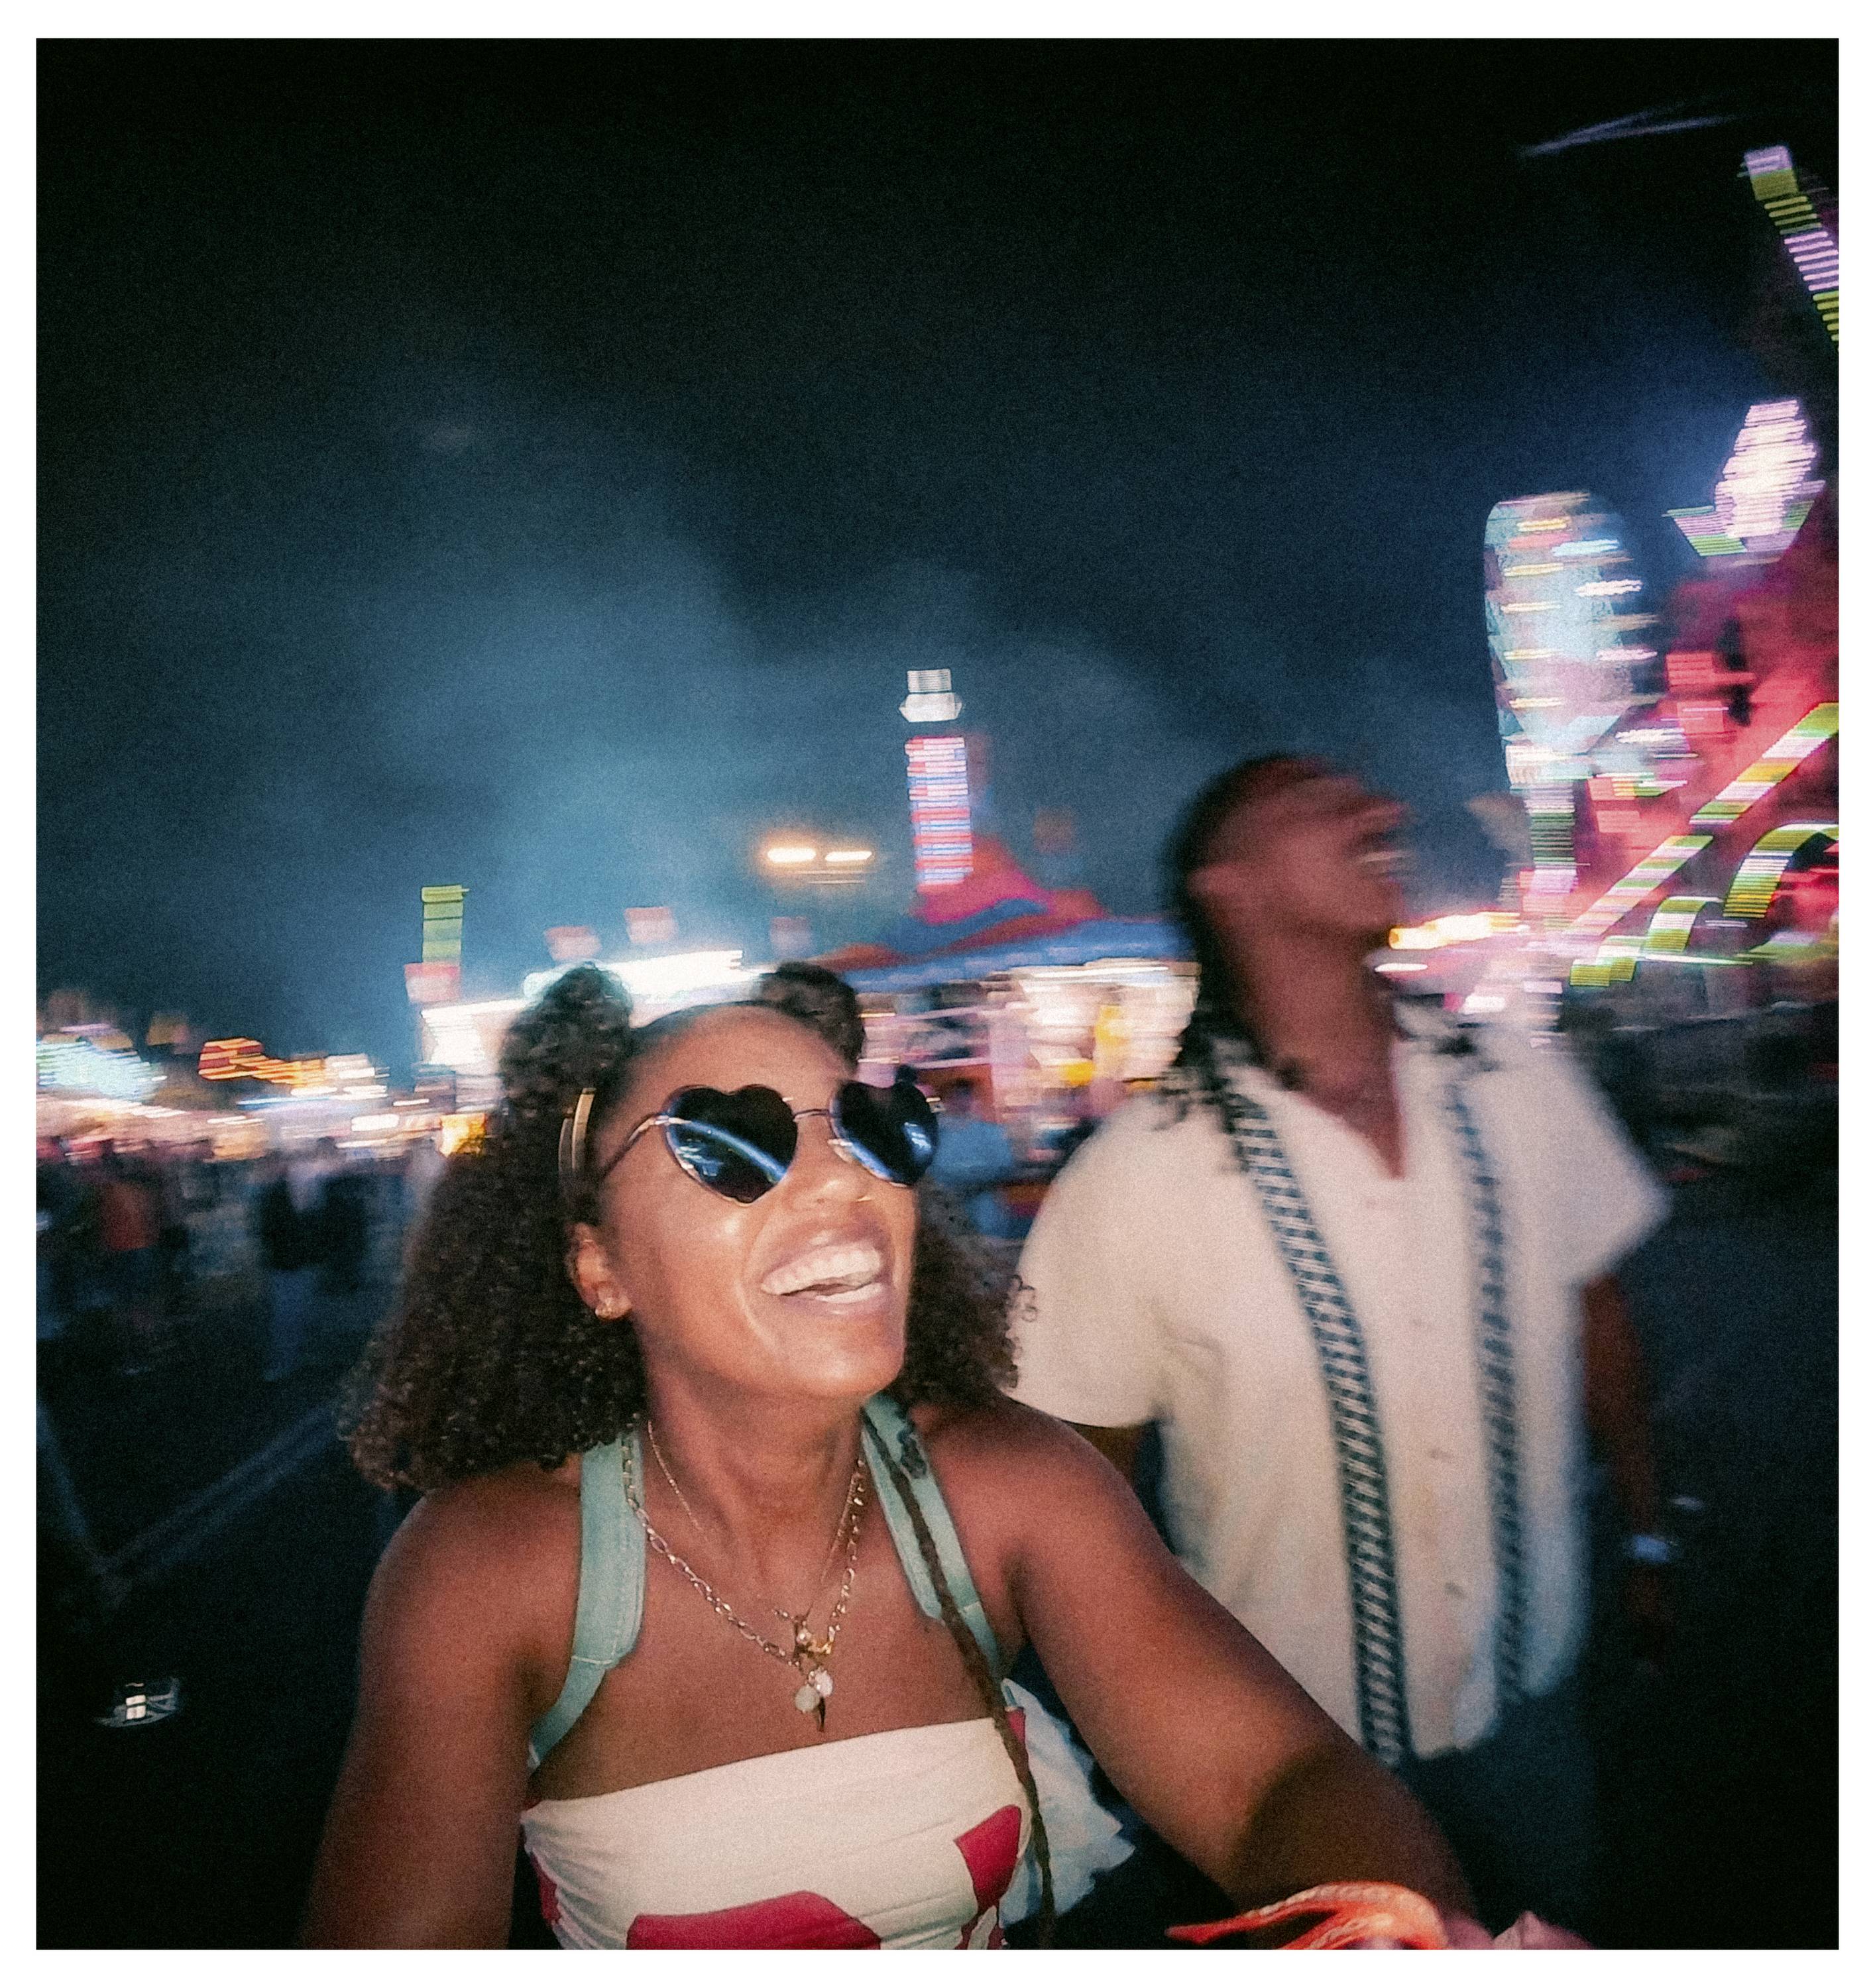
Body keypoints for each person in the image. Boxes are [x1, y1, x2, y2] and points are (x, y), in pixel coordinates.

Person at [304, 963, 1480, 1950]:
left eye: (871, 1130)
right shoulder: (491, 1570)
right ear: (598, 1267)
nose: (838, 1178)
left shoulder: (1007, 1484)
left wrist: (1388, 1933)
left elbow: (1272, 1784)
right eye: (729, 1143)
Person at [1011, 755, 1674, 1938]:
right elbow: (1073, 1474)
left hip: (1533, 1700)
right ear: (1229, 885)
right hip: (1283, 1770)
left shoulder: (1516, 1082)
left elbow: (1597, 1318)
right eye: (1315, 804)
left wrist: (1641, 1527)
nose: (1381, 809)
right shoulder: (1136, 1174)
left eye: (1365, 797)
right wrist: (1138, 1712)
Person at [926, 1076, 1020, 1238]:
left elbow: (1004, 1165)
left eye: (966, 1095)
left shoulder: (990, 1132)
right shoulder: (934, 1136)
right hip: (946, 1210)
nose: (961, 1101)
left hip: (985, 1210)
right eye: (955, 1096)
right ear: (945, 1100)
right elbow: (933, 1170)